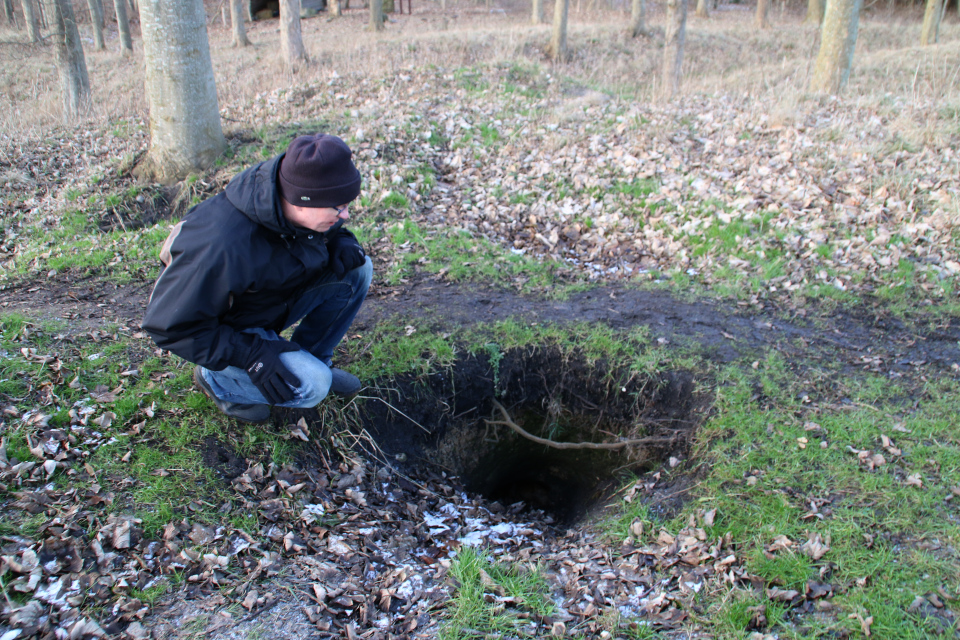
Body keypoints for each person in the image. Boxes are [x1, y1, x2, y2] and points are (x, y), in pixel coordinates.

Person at [141, 133, 372, 424]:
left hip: (267, 305)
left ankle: (314, 359)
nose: (346, 215)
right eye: (338, 208)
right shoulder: (221, 245)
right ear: (303, 201)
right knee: (313, 386)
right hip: (228, 332)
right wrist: (250, 353)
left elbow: (312, 235)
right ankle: (217, 381)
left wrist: (341, 240)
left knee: (358, 269)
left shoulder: (294, 199)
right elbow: (169, 327)